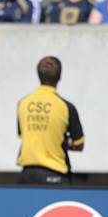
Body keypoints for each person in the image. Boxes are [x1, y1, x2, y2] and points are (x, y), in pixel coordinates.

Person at [16, 56, 84, 185]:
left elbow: (24, 134)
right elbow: (79, 144)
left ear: (38, 75)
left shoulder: (23, 104)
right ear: (59, 77)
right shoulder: (66, 107)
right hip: (55, 175)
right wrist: (65, 141)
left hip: (27, 175)